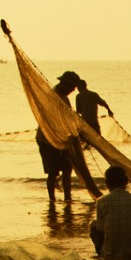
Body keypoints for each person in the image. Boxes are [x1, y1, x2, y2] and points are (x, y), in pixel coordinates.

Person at [35, 71, 80, 204]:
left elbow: (68, 118)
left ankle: (67, 197)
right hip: (47, 139)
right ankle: (52, 200)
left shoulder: (64, 98)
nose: (73, 90)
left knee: (67, 169)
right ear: (65, 84)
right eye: (72, 87)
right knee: (53, 172)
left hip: (62, 139)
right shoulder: (52, 96)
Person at [89, 165, 131, 260]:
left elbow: (101, 229)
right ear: (126, 181)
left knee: (93, 225)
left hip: (110, 254)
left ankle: (107, 250)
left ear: (107, 184)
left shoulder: (101, 201)